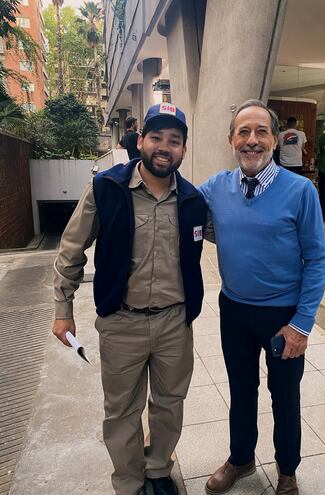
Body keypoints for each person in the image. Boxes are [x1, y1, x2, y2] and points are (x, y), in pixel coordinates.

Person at [52, 103, 207, 495]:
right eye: (156, 137)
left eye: (174, 141)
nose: (164, 147)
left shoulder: (191, 199)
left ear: (183, 150)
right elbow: (72, 249)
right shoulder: (106, 188)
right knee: (122, 411)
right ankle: (128, 481)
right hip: (122, 321)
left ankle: (157, 471)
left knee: (169, 405)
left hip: (175, 323)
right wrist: (62, 310)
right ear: (141, 141)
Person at [199, 99, 325, 495]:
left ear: (275, 139)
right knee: (240, 389)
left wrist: (301, 324)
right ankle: (241, 459)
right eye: (243, 132)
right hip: (234, 310)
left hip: (283, 316)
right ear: (231, 140)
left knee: (284, 396)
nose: (251, 141)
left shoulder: (300, 190)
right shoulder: (216, 188)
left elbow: (317, 258)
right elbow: (172, 195)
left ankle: (287, 469)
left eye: (260, 132)